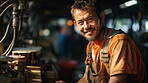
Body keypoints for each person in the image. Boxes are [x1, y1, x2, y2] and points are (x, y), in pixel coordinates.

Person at [70, 0, 145, 83]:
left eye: (90, 19)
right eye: (80, 22)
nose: (86, 26)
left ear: (101, 17)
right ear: (76, 25)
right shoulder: (91, 46)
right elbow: (86, 78)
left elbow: (116, 81)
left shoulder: (119, 42)